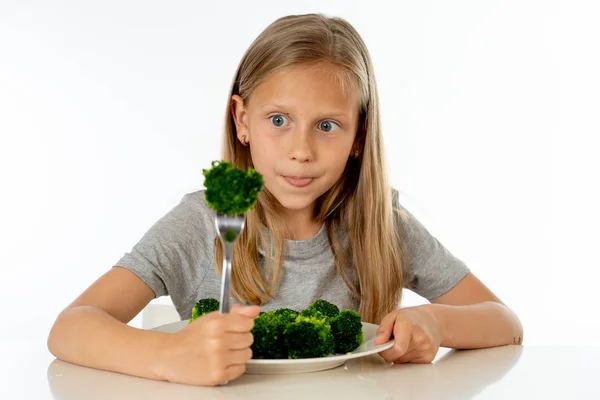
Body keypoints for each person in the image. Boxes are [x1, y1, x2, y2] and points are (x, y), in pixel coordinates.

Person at [47, 13, 523, 387]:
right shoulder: (204, 222)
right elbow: (70, 328)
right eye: (279, 120)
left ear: (359, 135)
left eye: (327, 125)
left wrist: (435, 322)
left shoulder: (381, 223)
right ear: (242, 120)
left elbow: (503, 321)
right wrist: (168, 357)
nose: (301, 150)